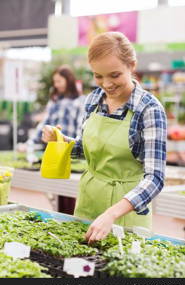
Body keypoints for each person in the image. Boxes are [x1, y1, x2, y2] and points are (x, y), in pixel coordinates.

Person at [42, 32, 167, 243]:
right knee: (81, 267)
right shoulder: (94, 99)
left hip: (125, 214)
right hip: (88, 203)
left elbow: (155, 178)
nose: (106, 84)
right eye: (98, 76)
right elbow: (87, 148)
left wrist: (111, 214)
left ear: (132, 65)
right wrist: (61, 140)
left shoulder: (149, 109)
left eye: (115, 75)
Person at [18, 65, 85, 154]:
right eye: (54, 82)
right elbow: (44, 124)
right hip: (53, 151)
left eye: (59, 81)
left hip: (70, 152)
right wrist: (29, 144)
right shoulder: (54, 101)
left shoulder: (80, 101)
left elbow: (80, 128)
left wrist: (78, 149)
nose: (56, 85)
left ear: (69, 80)